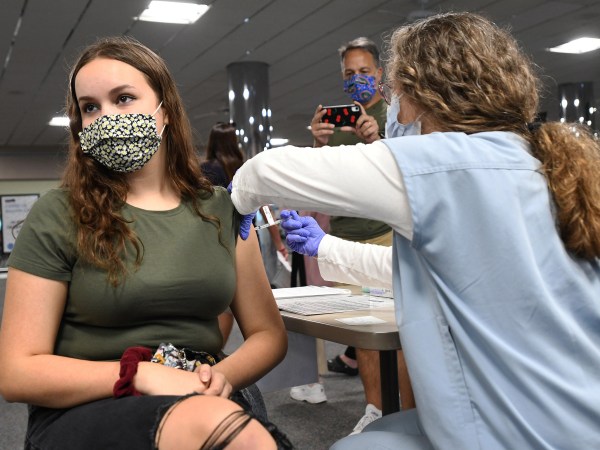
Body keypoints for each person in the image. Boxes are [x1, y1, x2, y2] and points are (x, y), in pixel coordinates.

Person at [229, 11, 600, 449]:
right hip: (577, 415)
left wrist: (235, 201)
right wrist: (326, 247)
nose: (395, 111)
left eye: (397, 95)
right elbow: (441, 267)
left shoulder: (438, 163)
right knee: (386, 428)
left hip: (515, 433)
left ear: (424, 96)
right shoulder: (537, 161)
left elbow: (266, 172)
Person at [0, 36, 291, 450]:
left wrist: (218, 377)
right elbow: (17, 372)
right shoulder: (58, 213)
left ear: (165, 111)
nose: (106, 117)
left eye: (123, 98)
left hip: (205, 392)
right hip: (91, 403)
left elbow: (267, 333)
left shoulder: (221, 208)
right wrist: (137, 373)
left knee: (228, 428)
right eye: (90, 107)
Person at [293, 37, 411, 433]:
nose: (357, 79)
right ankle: (375, 409)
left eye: (364, 72)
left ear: (380, 74)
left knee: (400, 331)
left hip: (384, 236)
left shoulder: (397, 117)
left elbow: (408, 175)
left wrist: (378, 138)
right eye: (349, 74)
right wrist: (317, 143)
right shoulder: (335, 123)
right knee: (364, 334)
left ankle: (411, 414)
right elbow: (319, 183)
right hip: (344, 238)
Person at [200, 121, 288, 344]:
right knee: (256, 308)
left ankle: (214, 353)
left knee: (223, 304)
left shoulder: (204, 170)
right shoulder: (245, 166)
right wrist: (277, 241)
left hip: (214, 241)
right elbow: (265, 208)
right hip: (246, 238)